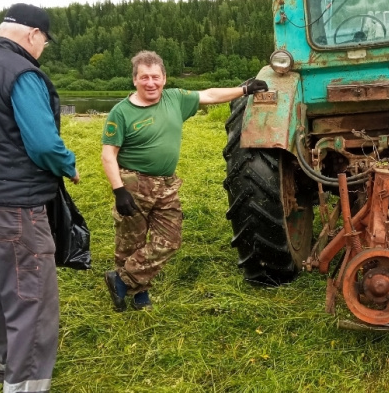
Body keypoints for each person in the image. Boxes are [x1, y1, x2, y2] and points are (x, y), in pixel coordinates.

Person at [0, 3, 79, 392]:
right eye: (44, 41)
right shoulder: (22, 72)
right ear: (33, 34)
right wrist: (67, 163)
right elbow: (43, 143)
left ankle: (4, 363)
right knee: (32, 297)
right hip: (14, 205)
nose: (42, 49)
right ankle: (24, 385)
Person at [101, 50, 267, 312]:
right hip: (134, 184)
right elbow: (108, 154)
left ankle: (121, 281)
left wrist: (244, 89)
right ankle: (137, 293)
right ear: (134, 80)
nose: (150, 83)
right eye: (144, 77)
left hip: (167, 184)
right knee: (130, 241)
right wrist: (119, 190)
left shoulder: (175, 99)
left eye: (155, 77)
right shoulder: (120, 112)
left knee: (170, 240)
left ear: (164, 78)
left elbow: (210, 95)